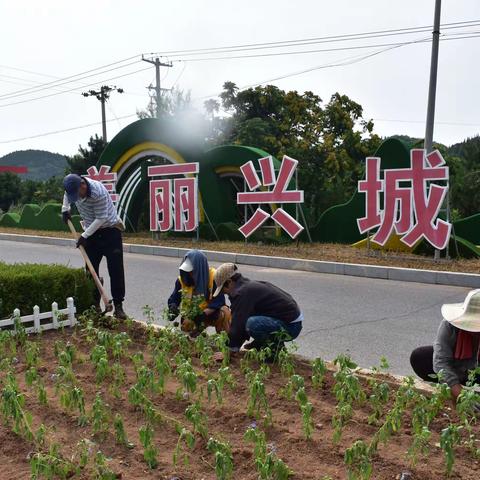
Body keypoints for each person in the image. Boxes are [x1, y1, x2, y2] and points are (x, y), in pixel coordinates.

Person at [62, 173, 127, 320]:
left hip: (110, 231)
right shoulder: (73, 187)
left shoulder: (98, 192)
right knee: (90, 270)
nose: (76, 199)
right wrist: (65, 209)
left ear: (83, 186)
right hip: (91, 233)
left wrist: (84, 236)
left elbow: (101, 218)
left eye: (77, 195)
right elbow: (67, 194)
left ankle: (118, 307)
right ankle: (95, 305)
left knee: (116, 270)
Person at [212, 263, 303, 360]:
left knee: (252, 324)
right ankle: (264, 344)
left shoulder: (242, 293)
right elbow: (241, 319)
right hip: (289, 321)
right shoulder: (245, 287)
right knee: (249, 321)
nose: (225, 293)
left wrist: (229, 351)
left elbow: (239, 324)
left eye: (223, 290)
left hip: (291, 327)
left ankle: (274, 352)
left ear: (229, 282)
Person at [410, 289, 480, 406]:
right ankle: (452, 385)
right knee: (419, 357)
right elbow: (441, 362)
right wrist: (462, 396)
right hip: (456, 368)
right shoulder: (450, 325)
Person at [168, 250, 231, 336]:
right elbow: (174, 298)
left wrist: (204, 314)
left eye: (191, 271)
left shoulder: (214, 277)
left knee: (224, 313)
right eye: (186, 271)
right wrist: (173, 307)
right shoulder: (181, 281)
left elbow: (219, 301)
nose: (188, 274)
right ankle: (195, 333)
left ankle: (225, 341)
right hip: (193, 315)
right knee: (187, 328)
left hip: (210, 313)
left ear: (199, 268)